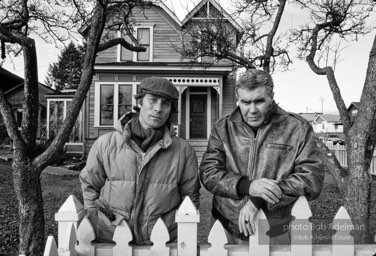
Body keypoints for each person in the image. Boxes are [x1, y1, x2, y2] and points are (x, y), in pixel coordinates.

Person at [199, 69, 324, 244]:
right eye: (245, 102)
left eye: (259, 101)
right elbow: (208, 173)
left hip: (275, 231)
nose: (252, 110)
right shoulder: (222, 128)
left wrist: (259, 198)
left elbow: (312, 179)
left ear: (271, 97)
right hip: (226, 228)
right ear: (238, 100)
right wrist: (247, 186)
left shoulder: (297, 128)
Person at [80, 77, 200, 245]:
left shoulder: (183, 151)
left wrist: (175, 228)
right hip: (112, 238)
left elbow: (190, 197)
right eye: (152, 100)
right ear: (140, 102)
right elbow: (89, 187)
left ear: (171, 110)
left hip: (162, 240)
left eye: (165, 104)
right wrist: (101, 220)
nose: (158, 109)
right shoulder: (106, 144)